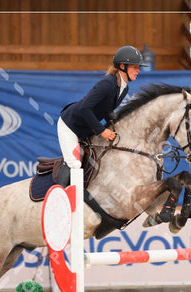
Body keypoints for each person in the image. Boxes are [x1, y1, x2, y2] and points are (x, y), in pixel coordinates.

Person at [56, 45, 146, 186]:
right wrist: (102, 130)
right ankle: (60, 197)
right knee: (74, 163)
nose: (139, 70)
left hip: (86, 128)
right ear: (122, 66)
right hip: (70, 126)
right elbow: (85, 108)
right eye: (135, 67)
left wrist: (114, 121)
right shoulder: (107, 83)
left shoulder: (124, 87)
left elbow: (106, 109)